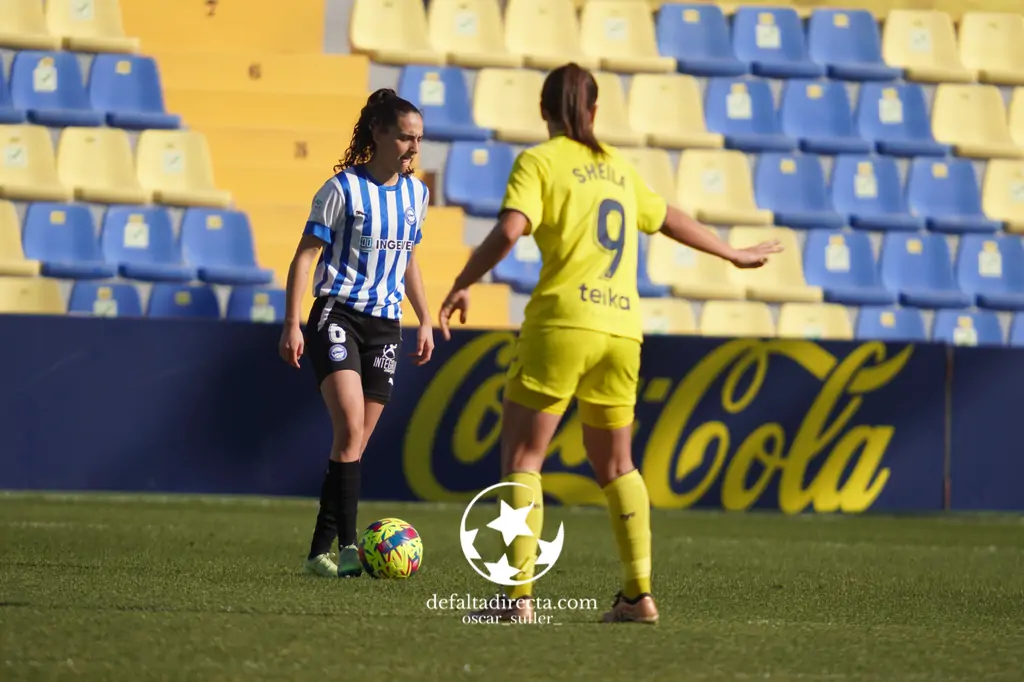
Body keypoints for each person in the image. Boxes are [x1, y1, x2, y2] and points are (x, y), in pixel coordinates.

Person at [438, 63, 782, 624]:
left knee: (524, 458)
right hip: (622, 330)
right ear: (595, 111)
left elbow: (509, 229)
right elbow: (665, 215)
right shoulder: (617, 168)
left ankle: (516, 600)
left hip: (563, 323)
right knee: (618, 464)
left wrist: (462, 282)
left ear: (543, 110)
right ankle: (637, 594)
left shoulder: (540, 162)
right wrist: (731, 253)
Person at [279, 88, 436, 578]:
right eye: (406, 138)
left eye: (419, 140)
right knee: (348, 428)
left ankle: (315, 555)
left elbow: (408, 260)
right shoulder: (341, 190)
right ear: (379, 134)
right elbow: (305, 256)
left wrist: (425, 317)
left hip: (386, 327)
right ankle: (350, 550)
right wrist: (292, 321)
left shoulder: (417, 195)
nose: (413, 148)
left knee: (354, 446)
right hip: (338, 314)